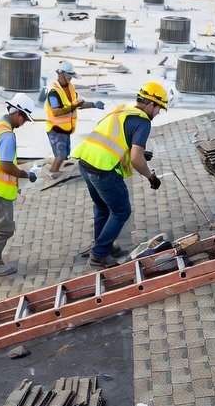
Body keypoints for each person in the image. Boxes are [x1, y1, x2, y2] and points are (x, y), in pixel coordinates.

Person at [72, 82, 167, 268]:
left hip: (85, 162)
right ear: (150, 104)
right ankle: (99, 254)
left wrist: (135, 150)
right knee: (121, 211)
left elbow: (116, 138)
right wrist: (151, 177)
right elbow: (136, 159)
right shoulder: (143, 122)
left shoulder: (122, 110)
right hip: (103, 170)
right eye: (159, 109)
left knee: (102, 208)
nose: (157, 113)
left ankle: (104, 245)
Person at [0, 92, 38, 277]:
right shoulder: (7, 135)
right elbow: (5, 165)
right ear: (18, 113)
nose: (24, 122)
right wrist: (24, 174)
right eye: (25, 118)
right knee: (4, 228)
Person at [44, 60, 104, 177]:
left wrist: (93, 104)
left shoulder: (70, 88)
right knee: (60, 155)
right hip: (56, 129)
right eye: (69, 75)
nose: (71, 78)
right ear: (61, 73)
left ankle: (55, 170)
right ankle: (53, 173)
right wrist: (73, 107)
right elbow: (56, 112)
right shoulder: (53, 92)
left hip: (66, 129)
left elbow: (78, 103)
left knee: (65, 153)